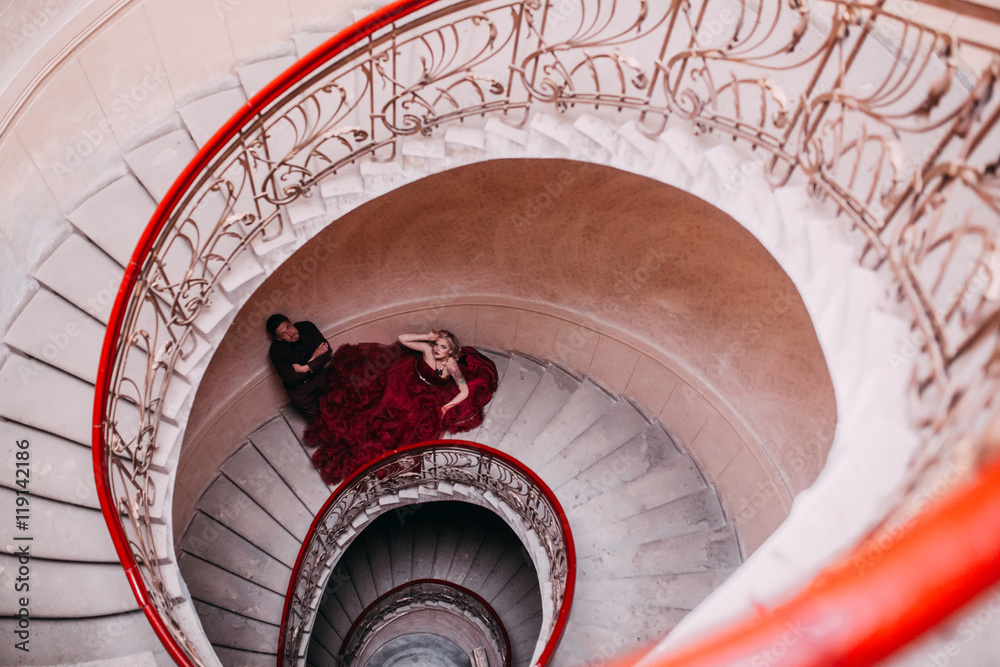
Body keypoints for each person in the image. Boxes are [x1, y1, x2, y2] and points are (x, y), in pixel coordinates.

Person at [305, 329, 498, 484]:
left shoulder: (452, 365)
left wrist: (446, 407)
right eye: (437, 345)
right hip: (405, 377)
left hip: (428, 394)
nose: (438, 349)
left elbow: (464, 392)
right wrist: (426, 338)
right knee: (375, 407)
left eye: (443, 347)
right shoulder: (427, 350)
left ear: (450, 351)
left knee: (404, 428)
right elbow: (402, 338)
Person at [267, 314, 332, 419]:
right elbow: (291, 379)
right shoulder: (276, 352)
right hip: (299, 390)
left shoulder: (307, 328)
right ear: (278, 338)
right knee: (316, 418)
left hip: (318, 377)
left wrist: (303, 368)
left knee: (330, 405)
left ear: (290, 320)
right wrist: (314, 357)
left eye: (288, 327)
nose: (290, 333)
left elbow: (327, 353)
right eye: (283, 334)